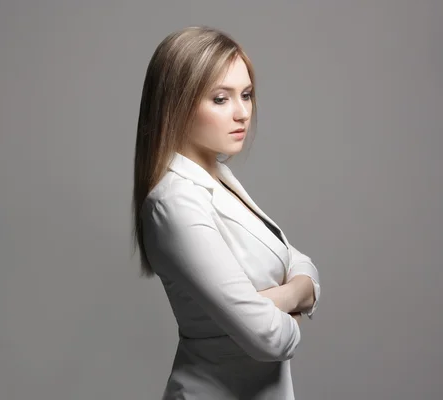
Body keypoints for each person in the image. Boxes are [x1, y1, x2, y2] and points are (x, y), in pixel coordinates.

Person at [132, 26, 320, 400]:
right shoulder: (174, 203)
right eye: (220, 99)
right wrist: (292, 304)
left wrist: (275, 300)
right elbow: (269, 338)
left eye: (246, 95)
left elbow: (300, 264)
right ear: (176, 103)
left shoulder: (218, 178)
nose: (242, 113)